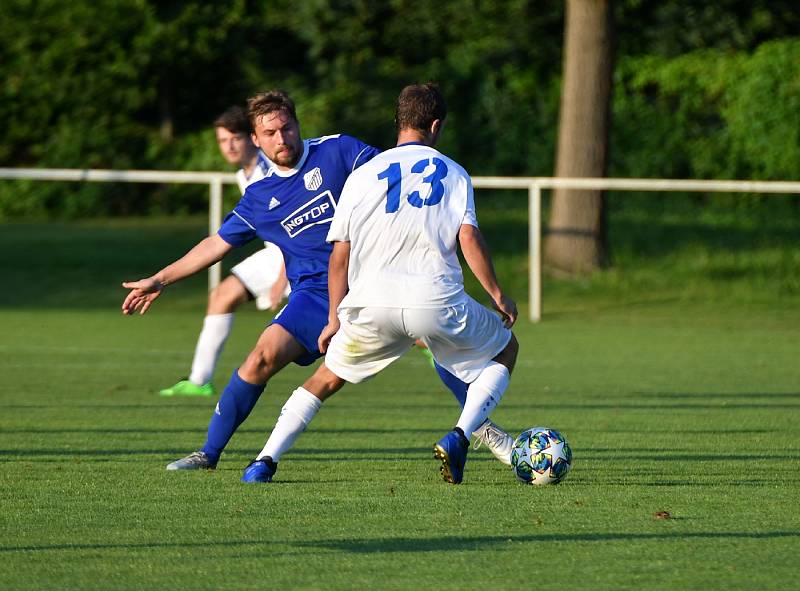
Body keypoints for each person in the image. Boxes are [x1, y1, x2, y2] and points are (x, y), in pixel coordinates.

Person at [122, 90, 514, 472]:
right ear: (255, 140)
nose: (282, 139)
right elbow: (215, 245)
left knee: (437, 342)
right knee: (262, 356)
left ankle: (487, 434)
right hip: (313, 294)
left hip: (374, 277)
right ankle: (209, 453)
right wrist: (161, 278)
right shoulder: (259, 198)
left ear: (297, 124)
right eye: (271, 134)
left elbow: (400, 177)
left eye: (287, 128)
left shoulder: (338, 151)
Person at [241, 82, 519, 485]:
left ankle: (264, 461)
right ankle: (460, 435)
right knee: (506, 349)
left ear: (398, 122)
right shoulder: (455, 173)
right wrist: (498, 295)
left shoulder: (363, 174)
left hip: (370, 304)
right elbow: (469, 238)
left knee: (324, 380)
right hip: (434, 300)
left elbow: (339, 255)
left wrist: (334, 319)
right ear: (436, 125)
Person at [159, 105, 290, 397]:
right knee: (221, 296)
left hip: (294, 254)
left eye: (235, 138)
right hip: (275, 254)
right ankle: (199, 381)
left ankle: (417, 339)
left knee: (366, 317)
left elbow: (291, 227)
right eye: (222, 140)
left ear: (251, 138)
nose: (228, 146)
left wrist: (283, 276)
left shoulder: (267, 172)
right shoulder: (246, 173)